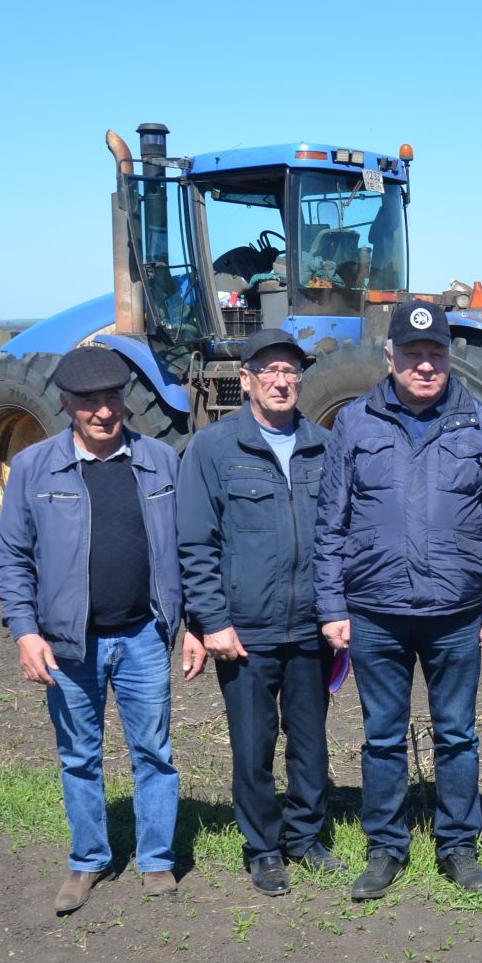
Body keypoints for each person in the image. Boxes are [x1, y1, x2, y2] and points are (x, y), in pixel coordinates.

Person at [314, 299, 482, 900]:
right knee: (382, 735)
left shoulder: (479, 423)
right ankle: (385, 847)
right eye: (412, 355)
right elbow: (331, 523)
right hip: (375, 612)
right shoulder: (354, 422)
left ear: (448, 357)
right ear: (390, 357)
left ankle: (458, 846)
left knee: (456, 734)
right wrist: (332, 607)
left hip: (456, 615)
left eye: (434, 355)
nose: (424, 366)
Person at [0, 345, 187, 915]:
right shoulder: (35, 468)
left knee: (153, 751)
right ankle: (88, 860)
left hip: (143, 637)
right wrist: (26, 633)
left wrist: (194, 624)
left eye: (111, 400)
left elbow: (188, 549)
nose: (103, 412)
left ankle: (156, 860)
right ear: (66, 404)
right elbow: (12, 558)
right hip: (67, 644)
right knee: (78, 755)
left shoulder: (159, 461)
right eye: (88, 403)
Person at [177, 329, 339, 897]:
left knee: (311, 740)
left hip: (312, 625)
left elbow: (340, 535)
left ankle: (305, 836)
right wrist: (211, 622)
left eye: (291, 371)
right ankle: (264, 848)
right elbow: (196, 543)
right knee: (252, 743)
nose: (281, 380)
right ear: (245, 379)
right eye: (269, 370)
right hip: (244, 629)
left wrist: (337, 610)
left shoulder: (323, 446)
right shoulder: (213, 449)